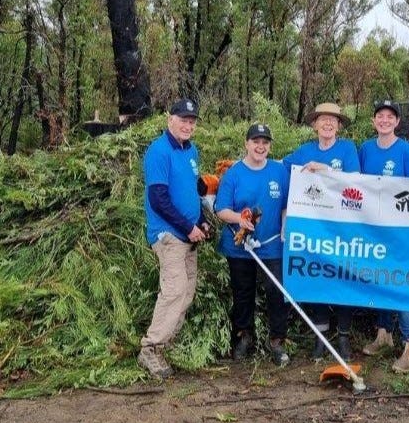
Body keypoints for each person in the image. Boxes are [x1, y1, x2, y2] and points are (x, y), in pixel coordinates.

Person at [138, 98, 211, 378]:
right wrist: (186, 226)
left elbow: (193, 192)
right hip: (169, 235)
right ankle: (150, 347)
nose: (188, 126)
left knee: (188, 291)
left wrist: (201, 222)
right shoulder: (159, 152)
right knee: (175, 290)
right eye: (183, 120)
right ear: (170, 119)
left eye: (192, 122)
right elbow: (158, 199)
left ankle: (164, 344)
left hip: (189, 234)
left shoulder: (191, 151)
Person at [282, 101, 360, 360]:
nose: (328, 124)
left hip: (343, 227)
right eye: (323, 119)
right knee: (317, 279)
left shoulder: (348, 149)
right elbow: (281, 167)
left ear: (339, 125)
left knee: (344, 279)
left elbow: (357, 181)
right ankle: (321, 338)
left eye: (333, 120)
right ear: (314, 124)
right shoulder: (303, 151)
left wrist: (326, 169)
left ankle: (344, 338)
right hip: (314, 228)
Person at [214, 124, 292, 367]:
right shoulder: (234, 173)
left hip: (271, 244)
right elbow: (221, 209)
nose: (260, 147)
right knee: (243, 292)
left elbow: (286, 204)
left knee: (277, 292)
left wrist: (284, 225)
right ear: (247, 144)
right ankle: (244, 337)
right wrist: (240, 219)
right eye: (256, 142)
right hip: (240, 245)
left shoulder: (279, 171)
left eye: (265, 142)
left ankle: (277, 341)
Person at [358, 100, 409, 373]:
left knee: (400, 281)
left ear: (397, 122)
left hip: (401, 230)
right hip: (373, 228)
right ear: (374, 121)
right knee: (380, 279)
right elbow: (356, 183)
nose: (384, 120)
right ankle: (383, 334)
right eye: (379, 116)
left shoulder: (407, 150)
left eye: (390, 116)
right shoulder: (365, 149)